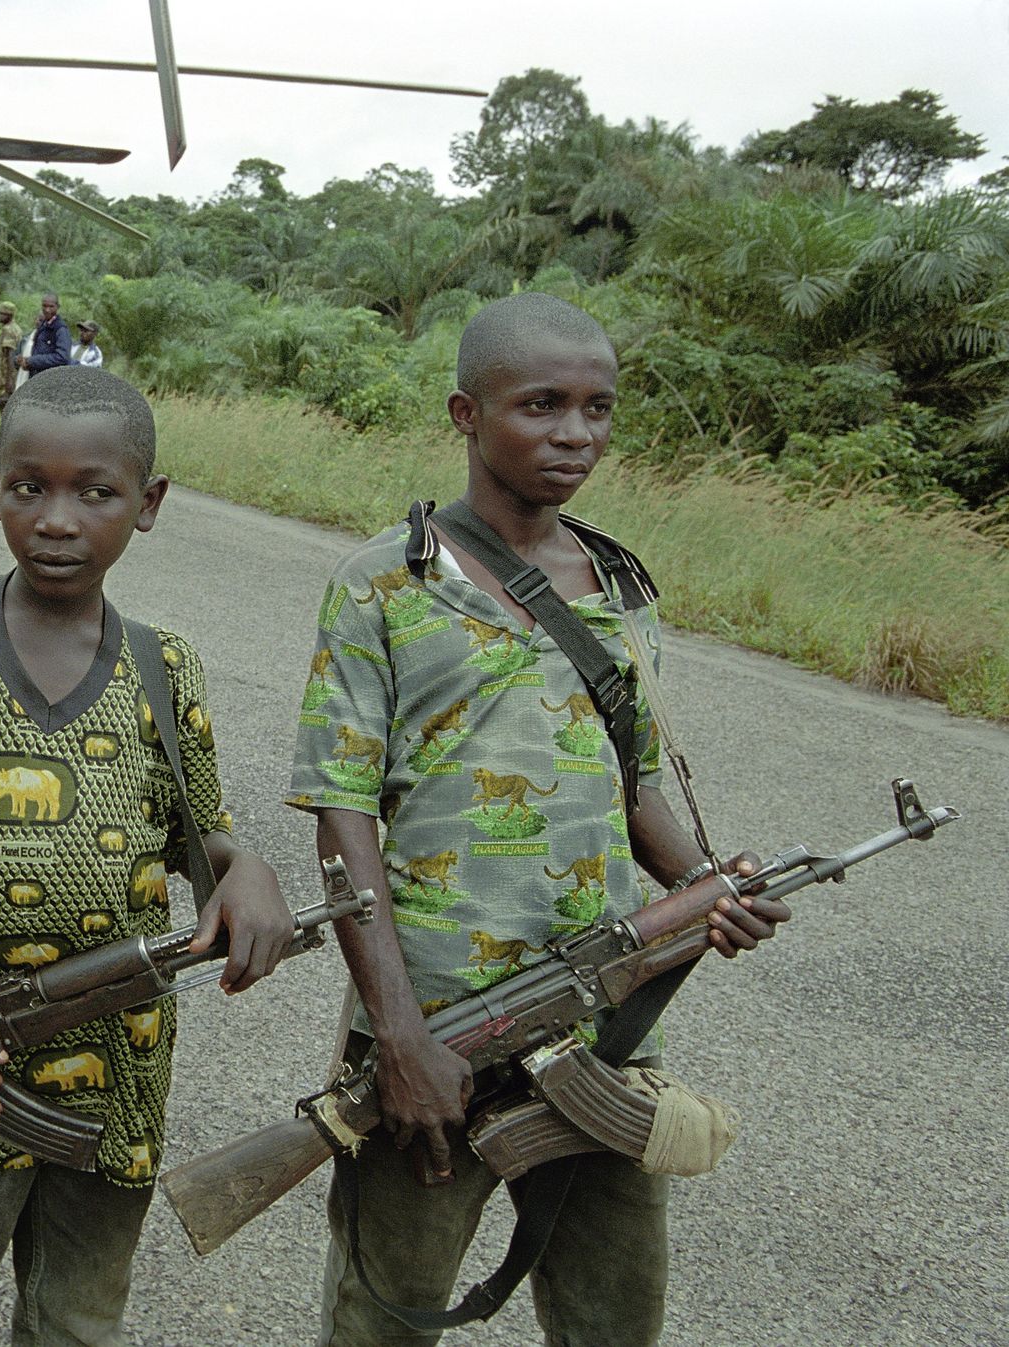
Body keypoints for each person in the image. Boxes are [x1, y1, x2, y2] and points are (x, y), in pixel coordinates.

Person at [287, 292, 789, 1347]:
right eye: (541, 406)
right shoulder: (383, 582)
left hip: (603, 1019)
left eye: (596, 410)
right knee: (383, 1316)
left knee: (614, 1311)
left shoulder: (614, 583)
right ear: (465, 414)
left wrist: (705, 888)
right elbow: (341, 818)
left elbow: (631, 777)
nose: (574, 436)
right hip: (438, 1027)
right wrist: (399, 1035)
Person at [0, 365, 296, 1347]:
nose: (56, 519)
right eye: (26, 487)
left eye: (95, 492)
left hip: (117, 1070)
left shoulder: (163, 666)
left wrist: (244, 865)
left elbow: (197, 832)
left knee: (79, 1316)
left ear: (148, 503)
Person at [16, 293, 71, 377]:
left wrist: (32, 361)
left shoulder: (60, 329)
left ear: (57, 307)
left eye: (51, 306)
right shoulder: (43, 325)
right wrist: (25, 362)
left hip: (51, 378)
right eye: (44, 306)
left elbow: (62, 357)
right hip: (37, 376)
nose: (47, 310)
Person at [0, 301, 22, 407]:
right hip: (13, 374)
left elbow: (10, 354)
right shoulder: (16, 328)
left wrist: (9, 381)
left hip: (7, 375)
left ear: (9, 315)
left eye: (2, 314)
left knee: (5, 406)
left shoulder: (8, 330)